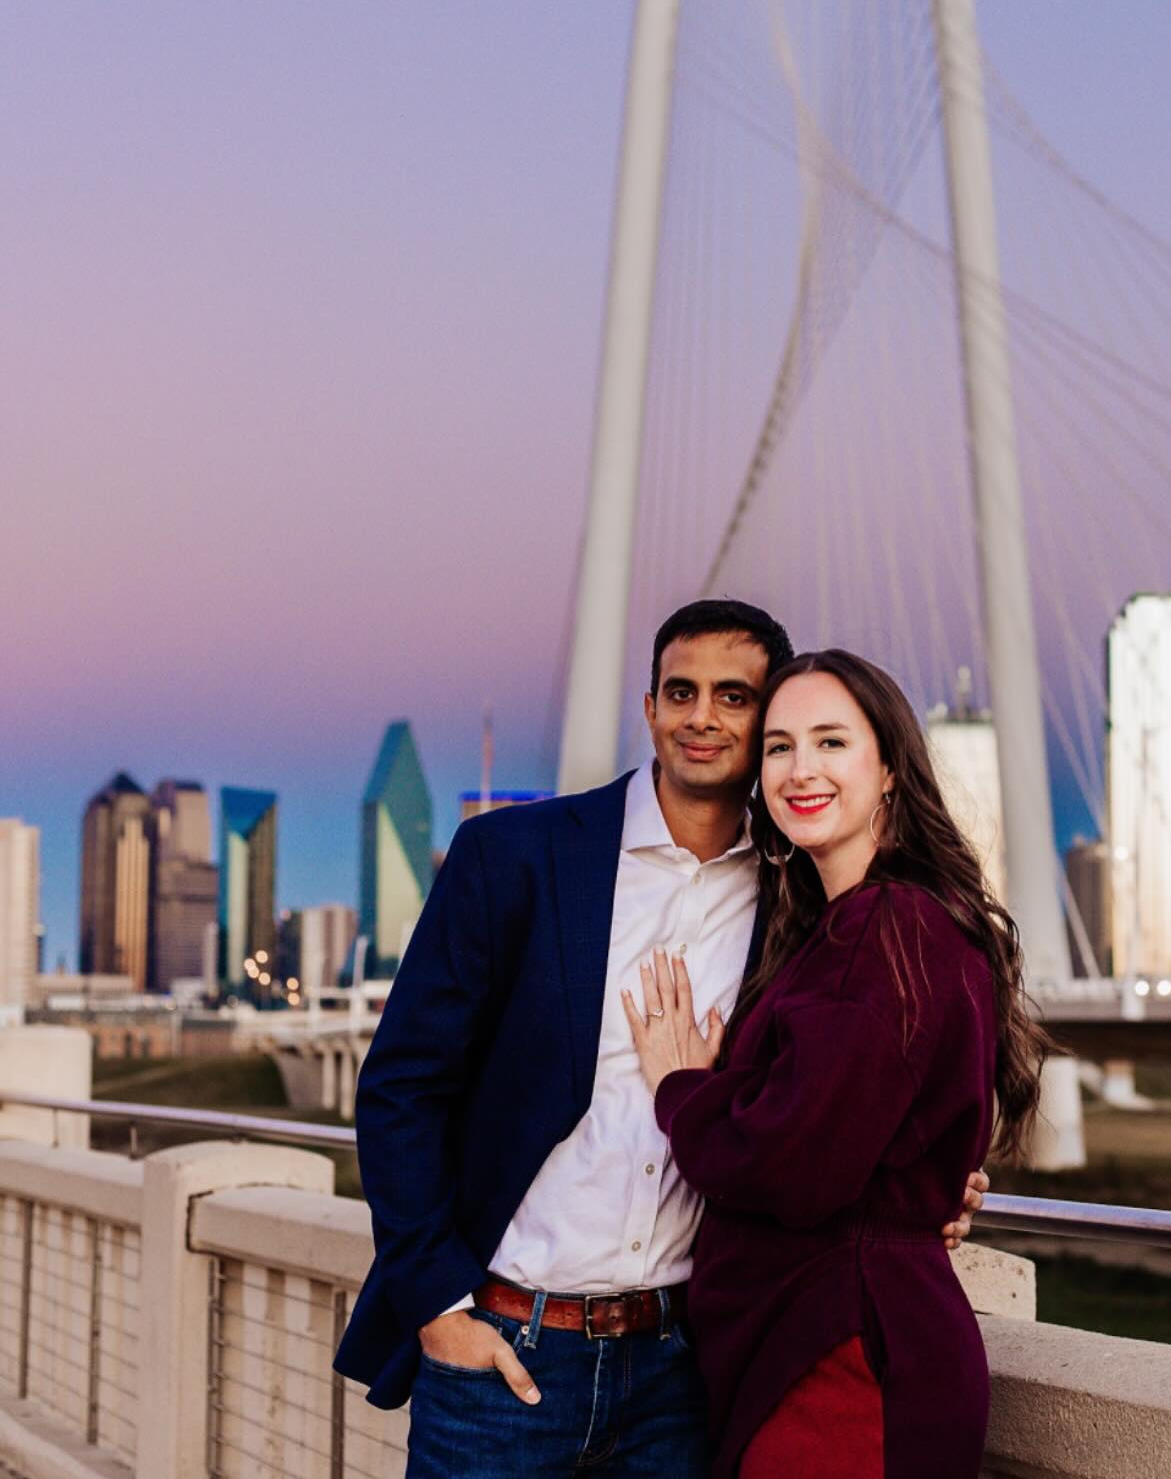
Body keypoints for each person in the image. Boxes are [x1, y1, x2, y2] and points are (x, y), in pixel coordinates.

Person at [335, 600, 989, 1477]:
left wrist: (921, 1182)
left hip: (681, 1371)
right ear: (648, 709)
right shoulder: (513, 857)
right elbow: (400, 1088)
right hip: (505, 1351)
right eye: (680, 692)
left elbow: (842, 1084)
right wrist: (438, 1309)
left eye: (733, 696)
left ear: (764, 722)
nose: (702, 717)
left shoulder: (797, 899)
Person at [625, 649, 1051, 1477]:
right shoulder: (889, 924)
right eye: (779, 747)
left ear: (889, 768)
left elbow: (793, 1160)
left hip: (841, 1361)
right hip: (834, 1341)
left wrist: (682, 1090)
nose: (799, 770)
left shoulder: (883, 928)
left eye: (831, 742)